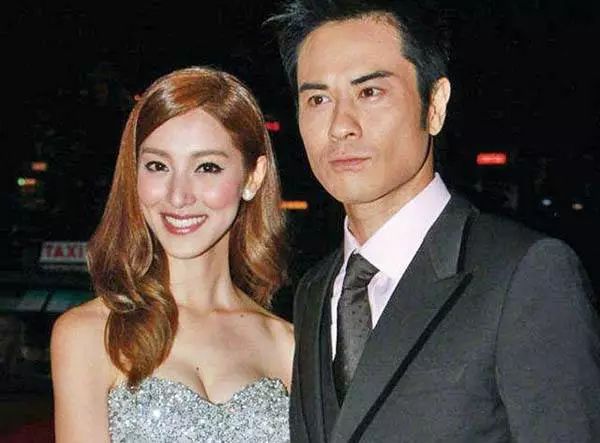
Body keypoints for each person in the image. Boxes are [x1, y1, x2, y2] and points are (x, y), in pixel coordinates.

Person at [270, 1, 600, 441]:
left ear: (435, 105)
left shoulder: (525, 274)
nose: (340, 126)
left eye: (370, 93)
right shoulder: (314, 290)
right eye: (318, 99)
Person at [50, 67, 293, 442]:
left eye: (207, 167)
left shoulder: (288, 345)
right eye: (158, 166)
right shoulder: (89, 334)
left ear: (252, 177)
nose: (178, 196)